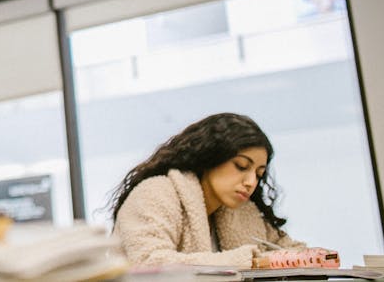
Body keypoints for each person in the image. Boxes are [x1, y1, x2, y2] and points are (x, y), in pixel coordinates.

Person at [108, 113, 321, 267]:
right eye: (241, 166)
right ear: (210, 157)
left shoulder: (242, 212)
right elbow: (149, 264)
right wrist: (247, 261)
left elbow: (285, 248)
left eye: (258, 173)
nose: (250, 182)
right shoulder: (156, 193)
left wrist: (316, 257)